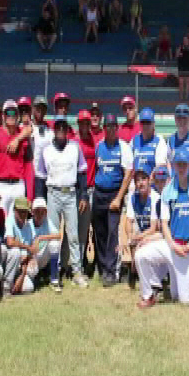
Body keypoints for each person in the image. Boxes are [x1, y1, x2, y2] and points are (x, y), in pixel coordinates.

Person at [35, 116, 90, 288]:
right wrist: (40, 200)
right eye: (57, 126)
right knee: (53, 235)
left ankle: (76, 271)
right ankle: (54, 272)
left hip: (71, 193)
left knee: (73, 234)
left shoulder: (75, 147)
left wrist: (83, 196)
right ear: (53, 128)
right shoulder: (46, 150)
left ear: (67, 129)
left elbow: (82, 173)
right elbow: (40, 178)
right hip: (53, 193)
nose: (60, 129)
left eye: (63, 127)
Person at [161, 148, 189, 303]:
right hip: (174, 246)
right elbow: (164, 223)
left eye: (184, 164)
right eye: (178, 164)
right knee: (174, 295)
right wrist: (173, 245)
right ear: (173, 166)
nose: (181, 168)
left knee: (185, 300)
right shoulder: (167, 190)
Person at [92, 114, 134, 286]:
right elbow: (96, 169)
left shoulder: (123, 147)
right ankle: (102, 267)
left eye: (113, 126)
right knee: (99, 232)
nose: (110, 129)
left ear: (117, 128)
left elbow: (128, 174)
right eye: (107, 126)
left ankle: (111, 270)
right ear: (104, 129)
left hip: (113, 195)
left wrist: (118, 198)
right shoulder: (99, 146)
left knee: (112, 233)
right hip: (99, 194)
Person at [0, 100, 34, 217]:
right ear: (3, 116)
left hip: (18, 186)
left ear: (18, 115)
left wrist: (30, 196)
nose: (11, 116)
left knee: (18, 224)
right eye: (8, 113)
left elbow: (29, 167)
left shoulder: (24, 138)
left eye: (14, 113)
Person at [126, 159, 166, 308]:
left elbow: (155, 227)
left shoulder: (155, 198)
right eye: (137, 180)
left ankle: (155, 281)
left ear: (150, 180)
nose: (140, 183)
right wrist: (130, 236)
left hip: (155, 235)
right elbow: (128, 220)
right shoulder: (132, 197)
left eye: (143, 179)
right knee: (132, 243)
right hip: (142, 234)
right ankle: (136, 273)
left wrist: (138, 237)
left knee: (142, 246)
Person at [5, 197, 62, 294]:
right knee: (30, 280)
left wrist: (41, 238)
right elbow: (18, 245)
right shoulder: (27, 225)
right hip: (28, 256)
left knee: (54, 244)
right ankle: (10, 285)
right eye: (37, 211)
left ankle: (54, 278)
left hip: (37, 256)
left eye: (42, 211)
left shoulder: (47, 222)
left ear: (45, 212)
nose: (39, 214)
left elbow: (59, 235)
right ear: (32, 212)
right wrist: (30, 256)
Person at [74, 110, 98, 273]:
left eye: (87, 123)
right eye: (82, 122)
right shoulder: (74, 141)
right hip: (77, 190)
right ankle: (76, 262)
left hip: (92, 188)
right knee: (76, 229)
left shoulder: (93, 140)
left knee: (89, 228)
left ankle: (87, 261)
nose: (84, 125)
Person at [131, 108, 168, 174]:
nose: (145, 125)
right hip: (136, 181)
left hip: (152, 182)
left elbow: (160, 165)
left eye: (148, 122)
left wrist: (149, 181)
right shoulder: (134, 140)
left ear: (153, 124)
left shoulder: (159, 141)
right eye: (143, 122)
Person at [177, 35, 189, 101]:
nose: (185, 41)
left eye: (186, 39)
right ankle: (181, 96)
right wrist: (178, 54)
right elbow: (176, 56)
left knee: (188, 82)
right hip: (181, 67)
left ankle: (187, 96)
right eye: (184, 40)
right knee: (181, 82)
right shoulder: (180, 47)